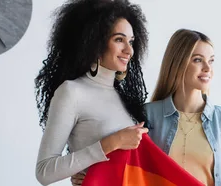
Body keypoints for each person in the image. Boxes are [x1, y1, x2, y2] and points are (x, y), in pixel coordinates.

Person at [71, 29, 221, 186]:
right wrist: (84, 170)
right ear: (179, 62)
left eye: (211, 60)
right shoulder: (145, 117)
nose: (207, 68)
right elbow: (119, 161)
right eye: (197, 60)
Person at [34, 0, 150, 185]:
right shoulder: (72, 92)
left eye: (131, 41)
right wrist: (111, 143)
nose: (129, 50)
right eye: (119, 39)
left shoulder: (125, 98)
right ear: (95, 42)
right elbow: (44, 171)